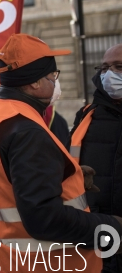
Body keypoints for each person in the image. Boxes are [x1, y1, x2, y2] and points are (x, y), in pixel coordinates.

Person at [0, 33, 122, 271]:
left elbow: (8, 181)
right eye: (53, 75)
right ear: (34, 82)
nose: (55, 82)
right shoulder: (26, 129)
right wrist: (109, 228)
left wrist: (65, 175)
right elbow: (43, 218)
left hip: (10, 260)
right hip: (47, 264)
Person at [71, 43, 122, 272]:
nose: (109, 74)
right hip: (97, 235)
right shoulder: (86, 116)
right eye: (104, 68)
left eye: (118, 67)